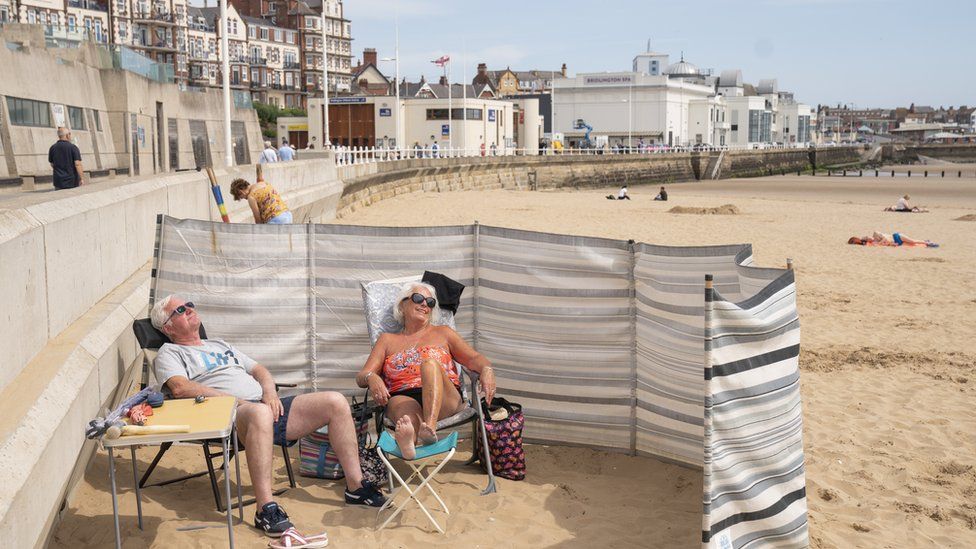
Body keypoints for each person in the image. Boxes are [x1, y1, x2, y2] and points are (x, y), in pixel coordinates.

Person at [150, 296, 386, 536]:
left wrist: (270, 392)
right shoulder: (170, 352)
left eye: (189, 304)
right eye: (180, 309)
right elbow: (180, 388)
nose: (189, 309)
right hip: (227, 415)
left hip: (263, 406)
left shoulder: (220, 344)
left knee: (335, 401)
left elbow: (259, 369)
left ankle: (356, 487)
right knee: (260, 412)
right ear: (168, 327)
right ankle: (266, 509)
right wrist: (236, 402)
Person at [355, 283, 496, 460]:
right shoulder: (387, 340)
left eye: (430, 302)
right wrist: (372, 377)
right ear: (402, 305)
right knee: (406, 420)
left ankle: (429, 429)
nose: (424, 304)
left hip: (444, 398)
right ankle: (408, 443)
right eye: (418, 298)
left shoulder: (443, 333)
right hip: (403, 395)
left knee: (429, 364)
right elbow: (361, 376)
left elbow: (474, 358)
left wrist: (487, 369)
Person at [847, 231, 938, 247]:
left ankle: (927, 242)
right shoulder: (873, 242)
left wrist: (879, 243)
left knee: (913, 241)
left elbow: (886, 239)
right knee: (913, 243)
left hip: (897, 236)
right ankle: (925, 242)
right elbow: (887, 243)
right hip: (896, 241)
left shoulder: (875, 235)